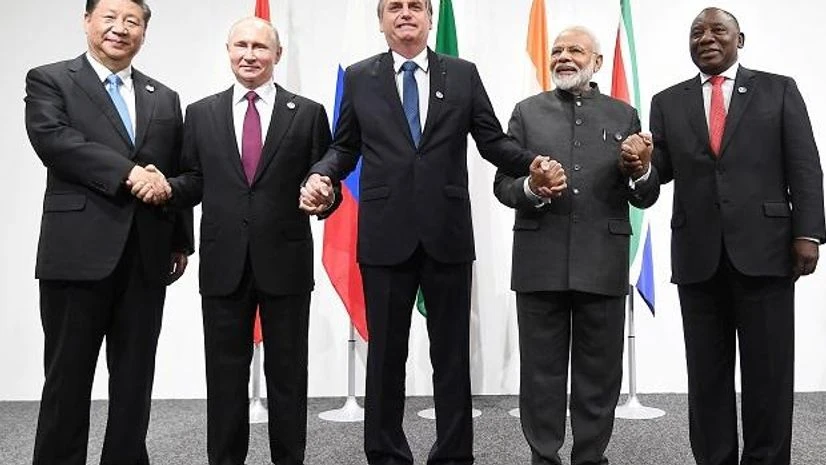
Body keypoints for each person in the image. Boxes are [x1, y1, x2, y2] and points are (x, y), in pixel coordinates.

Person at [299, 1, 561, 463]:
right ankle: (385, 453)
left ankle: (455, 454)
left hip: (447, 233)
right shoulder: (360, 77)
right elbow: (345, 145)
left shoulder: (462, 74)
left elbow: (492, 140)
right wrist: (322, 174)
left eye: (415, 6)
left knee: (452, 354)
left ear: (429, 18)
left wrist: (530, 162)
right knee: (385, 357)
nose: (405, 13)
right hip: (384, 236)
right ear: (380, 21)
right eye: (394, 7)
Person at [648, 8, 825, 465]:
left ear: (739, 39)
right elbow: (660, 171)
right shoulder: (667, 101)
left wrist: (809, 232)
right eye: (696, 32)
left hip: (767, 252)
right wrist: (638, 168)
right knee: (706, 376)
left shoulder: (778, 89)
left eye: (717, 30)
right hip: (697, 255)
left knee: (768, 373)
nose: (706, 37)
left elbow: (805, 165)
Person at [23, 0, 191, 464]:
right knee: (67, 378)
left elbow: (173, 167)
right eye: (110, 17)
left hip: (146, 254)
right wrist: (128, 173)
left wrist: (179, 238)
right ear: (87, 22)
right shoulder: (51, 79)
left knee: (135, 379)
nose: (120, 28)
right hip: (76, 254)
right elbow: (55, 141)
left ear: (143, 32)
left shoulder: (164, 96)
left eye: (132, 21)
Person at [166, 17, 333, 465]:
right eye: (240, 45)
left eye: (260, 47)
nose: (249, 54)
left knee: (288, 378)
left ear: (276, 55)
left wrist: (324, 196)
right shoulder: (201, 113)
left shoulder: (310, 113)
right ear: (228, 50)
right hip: (223, 266)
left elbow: (325, 186)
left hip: (286, 264)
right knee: (224, 378)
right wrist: (163, 195)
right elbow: (191, 182)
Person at [494, 26, 659, 465]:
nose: (564, 57)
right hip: (538, 263)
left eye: (575, 50)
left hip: (602, 264)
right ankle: (543, 458)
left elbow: (645, 192)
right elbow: (502, 184)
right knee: (542, 376)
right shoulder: (526, 113)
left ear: (597, 62)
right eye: (558, 50)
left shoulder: (624, 115)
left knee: (599, 376)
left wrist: (641, 170)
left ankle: (590, 458)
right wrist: (531, 187)